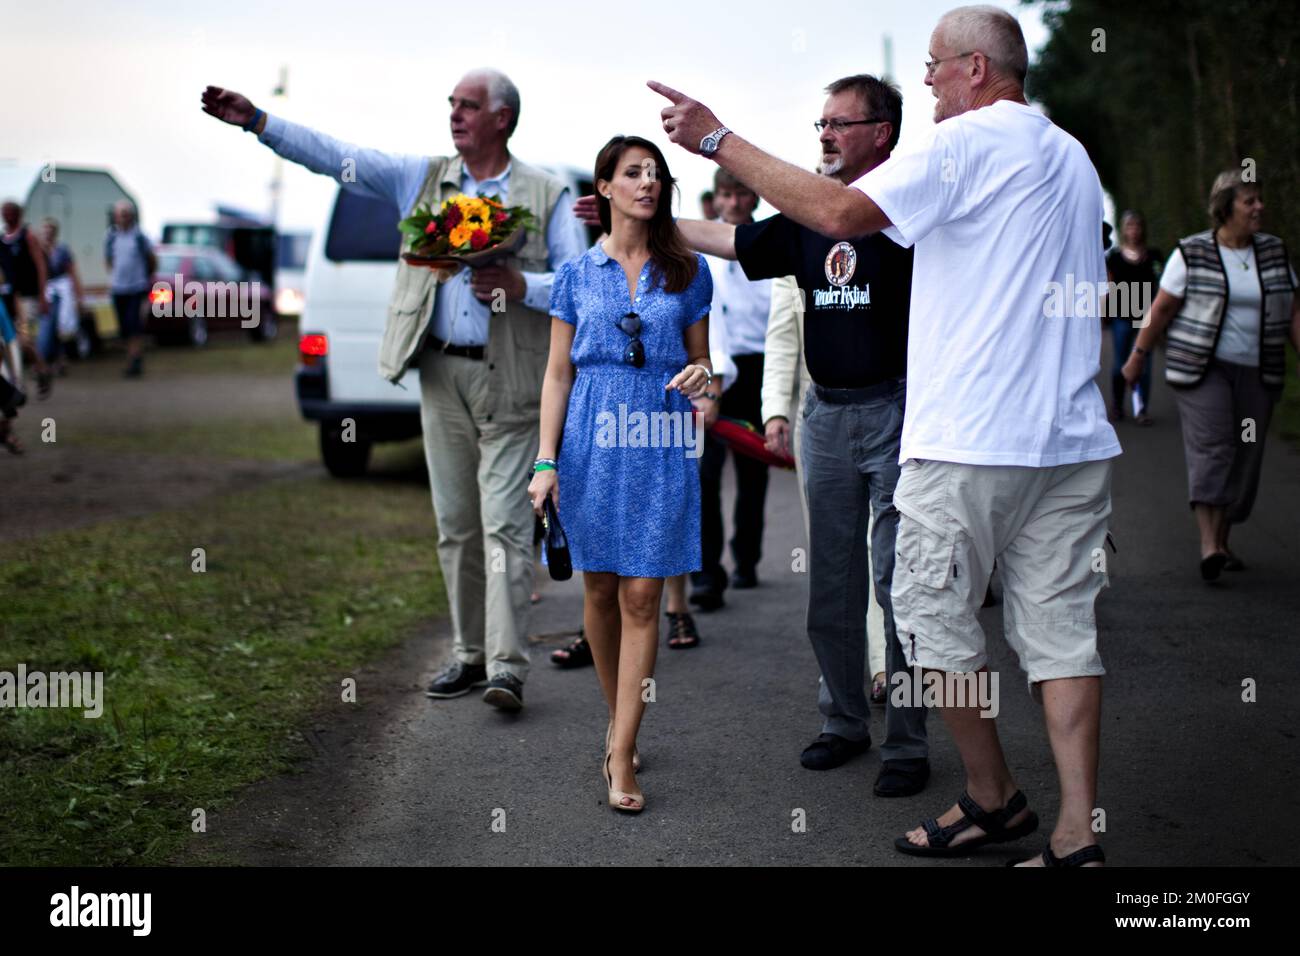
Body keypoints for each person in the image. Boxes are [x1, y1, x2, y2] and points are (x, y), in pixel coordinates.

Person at [650, 3, 1122, 863]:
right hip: (1070, 440)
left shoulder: (961, 143)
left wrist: (718, 139)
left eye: (938, 65)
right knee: (1062, 635)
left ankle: (991, 795)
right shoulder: (1071, 153)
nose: (931, 81)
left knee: (929, 622)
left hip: (969, 440)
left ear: (977, 70)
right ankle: (1076, 830)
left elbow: (833, 212)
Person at [202, 70, 587, 712]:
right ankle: (466, 655)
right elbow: (337, 158)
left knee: (505, 525)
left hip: (514, 372)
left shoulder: (547, 192)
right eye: (452, 105)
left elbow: (577, 285)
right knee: (455, 524)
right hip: (439, 373)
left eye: (469, 106)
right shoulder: (422, 178)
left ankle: (507, 668)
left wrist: (523, 286)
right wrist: (259, 123)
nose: (455, 115)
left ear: (503, 119)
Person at [639, 73, 929, 794]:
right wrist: (638, 221)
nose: (824, 135)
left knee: (901, 587)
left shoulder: (913, 204)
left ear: (881, 134)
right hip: (826, 415)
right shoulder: (805, 217)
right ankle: (842, 722)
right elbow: (727, 239)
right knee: (831, 579)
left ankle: (908, 745)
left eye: (839, 123)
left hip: (900, 412)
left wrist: (716, 136)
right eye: (819, 124)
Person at [528, 135, 714, 813]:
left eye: (657, 173)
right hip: (590, 440)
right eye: (633, 173)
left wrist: (703, 380)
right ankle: (620, 727)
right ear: (603, 188)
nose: (648, 182)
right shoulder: (575, 276)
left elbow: (707, 371)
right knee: (601, 590)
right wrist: (546, 461)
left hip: (661, 435)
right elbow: (557, 373)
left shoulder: (689, 270)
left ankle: (621, 749)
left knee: (643, 596)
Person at [1124, 170, 1299, 581]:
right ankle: (1208, 545)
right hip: (1203, 370)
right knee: (1214, 444)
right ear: (1226, 208)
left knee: (1246, 448)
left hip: (1258, 372)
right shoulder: (1191, 253)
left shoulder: (1274, 252)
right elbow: (1162, 309)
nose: (1259, 207)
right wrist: (1137, 355)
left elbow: (1292, 312)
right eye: (1249, 201)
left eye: (1260, 200)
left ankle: (1222, 539)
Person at [762, 274, 890, 706]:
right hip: (817, 412)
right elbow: (782, 337)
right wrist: (775, 410)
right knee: (833, 554)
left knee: (882, 547)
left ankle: (884, 665)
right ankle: (838, 681)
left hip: (890, 408)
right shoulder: (796, 238)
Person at [691, 170, 773, 609]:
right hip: (713, 368)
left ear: (753, 198)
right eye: (726, 194)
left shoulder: (767, 247)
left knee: (754, 469)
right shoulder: (702, 254)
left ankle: (746, 557)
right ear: (716, 199)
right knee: (706, 472)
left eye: (742, 193)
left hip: (759, 365)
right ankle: (707, 573)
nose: (735, 202)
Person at [1105, 210, 1160, 424]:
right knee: (1120, 364)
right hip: (1121, 316)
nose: (1134, 231)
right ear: (1124, 230)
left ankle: (1141, 409)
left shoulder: (1153, 256)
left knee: (1144, 367)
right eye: (1129, 226)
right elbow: (1108, 286)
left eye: (1137, 226)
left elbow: (1159, 284)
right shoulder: (1115, 258)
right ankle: (1117, 405)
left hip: (1146, 318)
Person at [0, 201, 52, 397]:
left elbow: (40, 265)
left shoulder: (27, 236)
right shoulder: (2, 240)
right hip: (8, 298)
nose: (7, 216)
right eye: (4, 212)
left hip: (27, 297)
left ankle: (39, 371)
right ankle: (18, 381)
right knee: (8, 341)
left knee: (22, 340)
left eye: (10, 212)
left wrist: (43, 295)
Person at [103, 200, 155, 378]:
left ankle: (133, 360)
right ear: (116, 217)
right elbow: (108, 260)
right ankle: (134, 356)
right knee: (124, 327)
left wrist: (145, 277)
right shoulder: (110, 236)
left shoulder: (140, 237)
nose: (123, 217)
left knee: (134, 324)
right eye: (120, 214)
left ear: (131, 216)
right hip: (118, 288)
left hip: (136, 287)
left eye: (126, 213)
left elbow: (152, 259)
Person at [38, 218, 83, 377]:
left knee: (62, 327)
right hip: (46, 289)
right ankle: (45, 362)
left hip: (62, 288)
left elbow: (71, 272)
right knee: (47, 327)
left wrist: (78, 295)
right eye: (45, 228)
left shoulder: (62, 250)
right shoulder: (37, 249)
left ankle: (60, 361)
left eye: (51, 228)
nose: (48, 231)